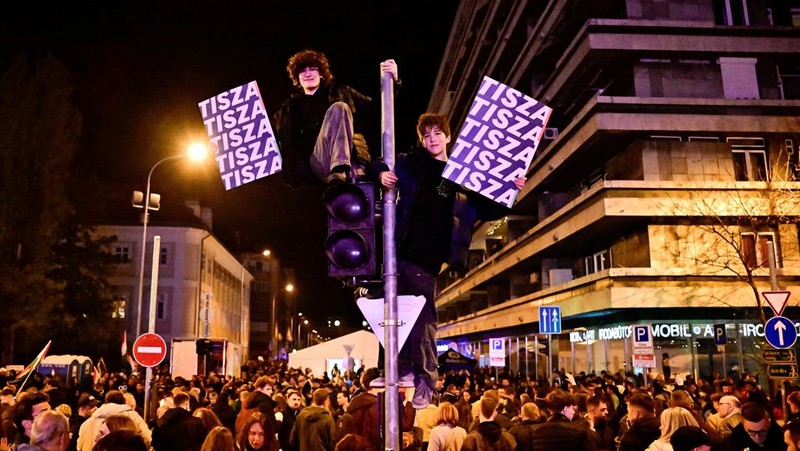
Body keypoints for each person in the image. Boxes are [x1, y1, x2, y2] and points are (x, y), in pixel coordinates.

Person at [368, 113, 525, 409]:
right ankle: (395, 370)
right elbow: (376, 162)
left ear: (448, 136)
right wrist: (380, 174)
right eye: (426, 135)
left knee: (422, 320)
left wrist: (512, 189)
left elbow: (487, 207)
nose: (431, 140)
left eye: (437, 133)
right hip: (397, 249)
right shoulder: (411, 163)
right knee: (389, 313)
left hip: (427, 257)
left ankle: (426, 382)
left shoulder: (462, 174)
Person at [274, 49, 399, 187]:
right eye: (303, 71)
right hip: (317, 163)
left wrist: (393, 81)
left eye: (313, 69)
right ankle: (338, 171)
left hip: (350, 162)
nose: (308, 74)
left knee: (340, 107)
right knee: (339, 107)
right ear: (297, 77)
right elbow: (275, 135)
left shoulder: (342, 92)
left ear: (321, 73)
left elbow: (375, 109)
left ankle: (339, 170)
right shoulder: (291, 107)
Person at [76, 390, 150, 451]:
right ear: (123, 402)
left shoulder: (90, 421)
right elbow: (147, 438)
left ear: (107, 401)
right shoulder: (133, 416)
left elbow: (79, 446)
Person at [530, 389, 598, 451]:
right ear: (565, 410)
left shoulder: (535, 430)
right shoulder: (579, 430)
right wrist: (591, 432)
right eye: (571, 408)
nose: (573, 412)